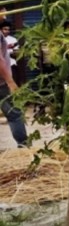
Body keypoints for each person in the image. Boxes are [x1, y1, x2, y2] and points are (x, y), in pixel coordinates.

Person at [0, 8, 27, 148]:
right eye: (3, 12)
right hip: (1, 83)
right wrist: (10, 81)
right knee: (14, 114)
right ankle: (24, 146)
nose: (5, 15)